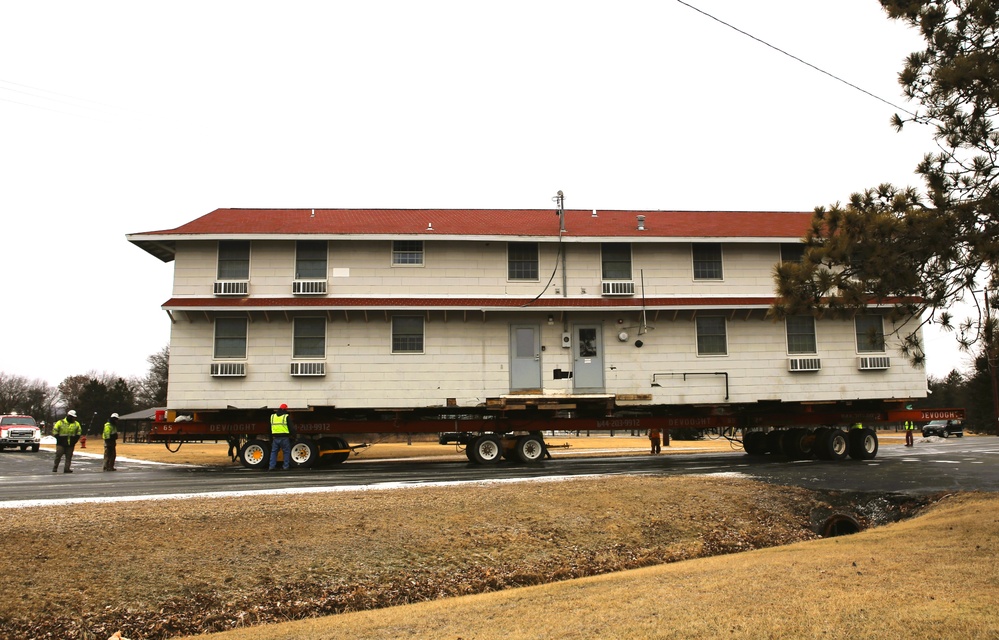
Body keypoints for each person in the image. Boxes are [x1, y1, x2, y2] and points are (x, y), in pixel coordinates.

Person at [268, 403, 294, 470]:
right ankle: (285, 466)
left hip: (275, 438)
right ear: (286, 410)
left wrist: (270, 438)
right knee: (286, 452)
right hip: (284, 438)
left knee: (274, 452)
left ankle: (271, 466)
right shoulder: (286, 416)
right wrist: (293, 436)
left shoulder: (272, 416)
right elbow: (291, 428)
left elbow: (269, 428)